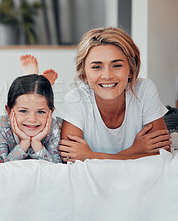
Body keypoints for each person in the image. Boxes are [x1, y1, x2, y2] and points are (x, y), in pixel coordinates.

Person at [58, 27, 171, 162]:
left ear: (130, 70)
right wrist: (135, 151)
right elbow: (69, 158)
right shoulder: (75, 98)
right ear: (84, 75)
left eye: (116, 65)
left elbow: (163, 153)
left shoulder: (145, 89)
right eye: (96, 67)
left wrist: (92, 156)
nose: (107, 76)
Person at [0, 74, 62, 163]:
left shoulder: (52, 126)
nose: (32, 119)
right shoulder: (2, 126)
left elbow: (57, 169)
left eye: (41, 112)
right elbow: (0, 168)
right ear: (9, 111)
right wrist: (24, 143)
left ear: (51, 112)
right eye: (23, 111)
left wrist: (37, 143)